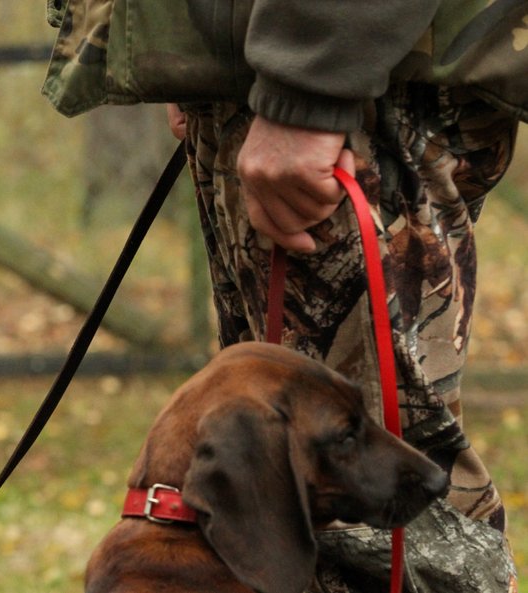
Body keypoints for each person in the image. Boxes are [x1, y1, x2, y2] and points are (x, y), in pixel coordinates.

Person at [43, 1, 526, 591]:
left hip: (343, 75)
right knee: (280, 515)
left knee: (380, 540)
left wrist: (308, 84)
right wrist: (194, 53)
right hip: (275, 70)